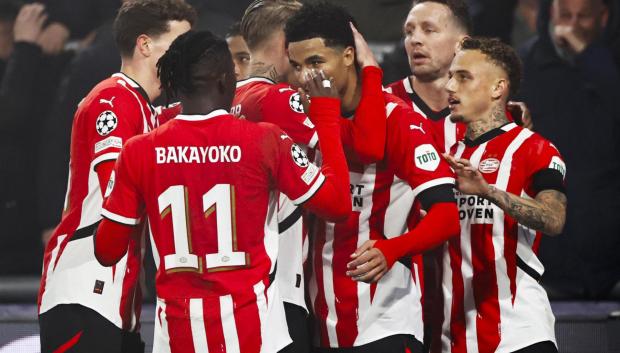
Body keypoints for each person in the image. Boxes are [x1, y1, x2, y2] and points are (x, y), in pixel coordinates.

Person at [94, 29, 351, 353]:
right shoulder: (264, 141)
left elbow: (106, 250)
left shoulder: (138, 151)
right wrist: (327, 115)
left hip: (176, 336)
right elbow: (339, 203)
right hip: (253, 333)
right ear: (224, 80)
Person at [285, 3, 460, 351]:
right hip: (322, 320)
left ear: (349, 55)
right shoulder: (301, 114)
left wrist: (393, 249)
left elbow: (446, 216)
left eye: (316, 62)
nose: (306, 76)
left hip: (385, 320)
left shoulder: (399, 120)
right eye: (296, 66)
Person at [37, 1, 196, 352]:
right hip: (84, 290)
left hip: (118, 295)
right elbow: (118, 192)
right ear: (145, 45)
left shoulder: (144, 109)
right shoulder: (113, 99)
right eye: (178, 45)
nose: (186, 57)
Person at [234, 1, 386, 351]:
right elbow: (368, 146)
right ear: (286, 44)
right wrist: (371, 70)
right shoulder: (277, 99)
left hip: (242, 286)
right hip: (278, 288)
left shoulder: (230, 96)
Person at [437, 37, 567, 353]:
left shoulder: (534, 148)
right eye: (451, 75)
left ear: (498, 88)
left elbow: (553, 218)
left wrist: (488, 191)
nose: (450, 86)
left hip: (518, 332)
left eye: (464, 77)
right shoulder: (442, 153)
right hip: (454, 337)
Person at [518, 0, 620, 299]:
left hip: (612, 256)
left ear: (603, 17)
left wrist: (590, 58)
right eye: (565, 15)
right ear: (551, 13)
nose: (572, 25)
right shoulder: (525, 65)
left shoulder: (613, 64)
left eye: (583, 17)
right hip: (549, 260)